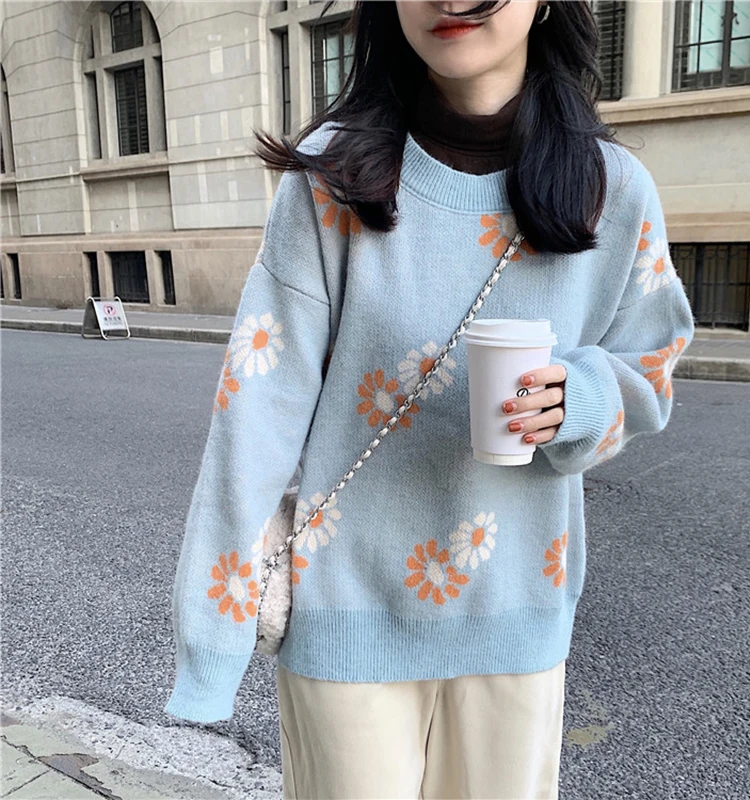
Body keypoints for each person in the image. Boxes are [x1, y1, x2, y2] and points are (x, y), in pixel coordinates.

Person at [164, 1, 695, 797]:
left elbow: (650, 366)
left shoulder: (611, 188)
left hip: (518, 611)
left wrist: (582, 400)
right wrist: (212, 642)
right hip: (345, 614)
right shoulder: (333, 177)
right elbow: (256, 414)